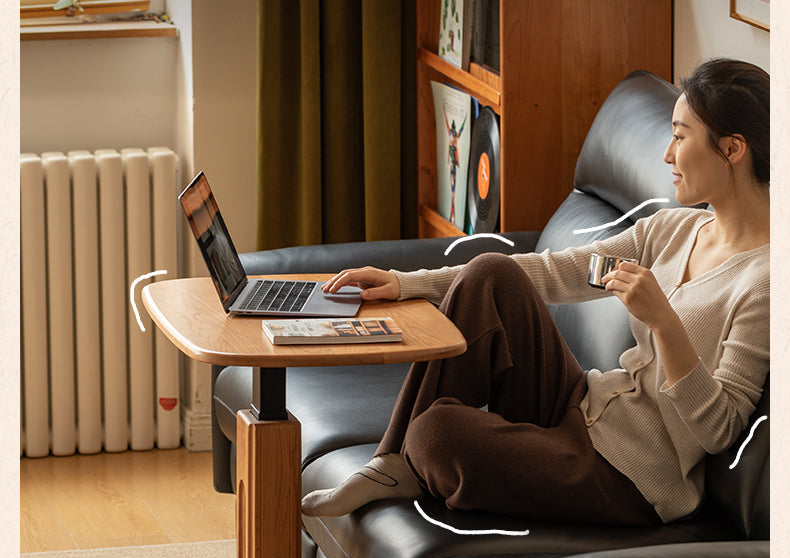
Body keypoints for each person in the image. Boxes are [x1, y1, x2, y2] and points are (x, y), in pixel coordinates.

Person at [302, 59, 770, 526]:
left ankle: (410, 458)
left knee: (437, 436)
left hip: (628, 478)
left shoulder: (766, 282)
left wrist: (665, 324)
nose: (667, 155)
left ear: (732, 149)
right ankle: (389, 466)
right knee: (493, 274)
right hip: (583, 407)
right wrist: (406, 282)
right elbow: (556, 271)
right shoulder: (673, 229)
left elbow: (721, 430)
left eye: (680, 136)